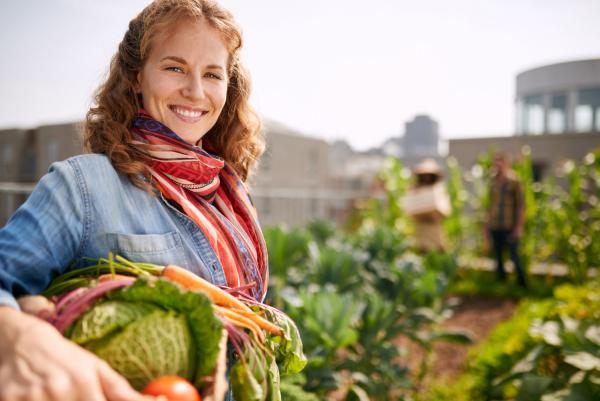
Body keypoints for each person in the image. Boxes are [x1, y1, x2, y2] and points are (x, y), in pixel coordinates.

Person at [0, 1, 266, 400]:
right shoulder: (83, 186)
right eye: (174, 67)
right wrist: (16, 335)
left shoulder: (230, 197)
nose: (195, 91)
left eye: (212, 74)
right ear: (137, 77)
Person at [485, 152, 527, 287]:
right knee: (498, 257)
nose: (497, 164)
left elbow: (520, 205)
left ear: (506, 163)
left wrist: (519, 226)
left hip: (509, 225)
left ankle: (522, 284)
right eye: (495, 161)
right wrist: (486, 226)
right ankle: (502, 283)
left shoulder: (514, 181)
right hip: (495, 225)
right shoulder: (493, 182)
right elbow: (490, 205)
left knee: (514, 256)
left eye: (500, 161)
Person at [407, 158, 449, 253]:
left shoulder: (438, 190)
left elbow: (445, 210)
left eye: (429, 175)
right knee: (424, 253)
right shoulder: (414, 191)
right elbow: (409, 210)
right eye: (424, 175)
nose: (427, 177)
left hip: (435, 230)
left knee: (438, 253)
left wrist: (434, 214)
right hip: (422, 231)